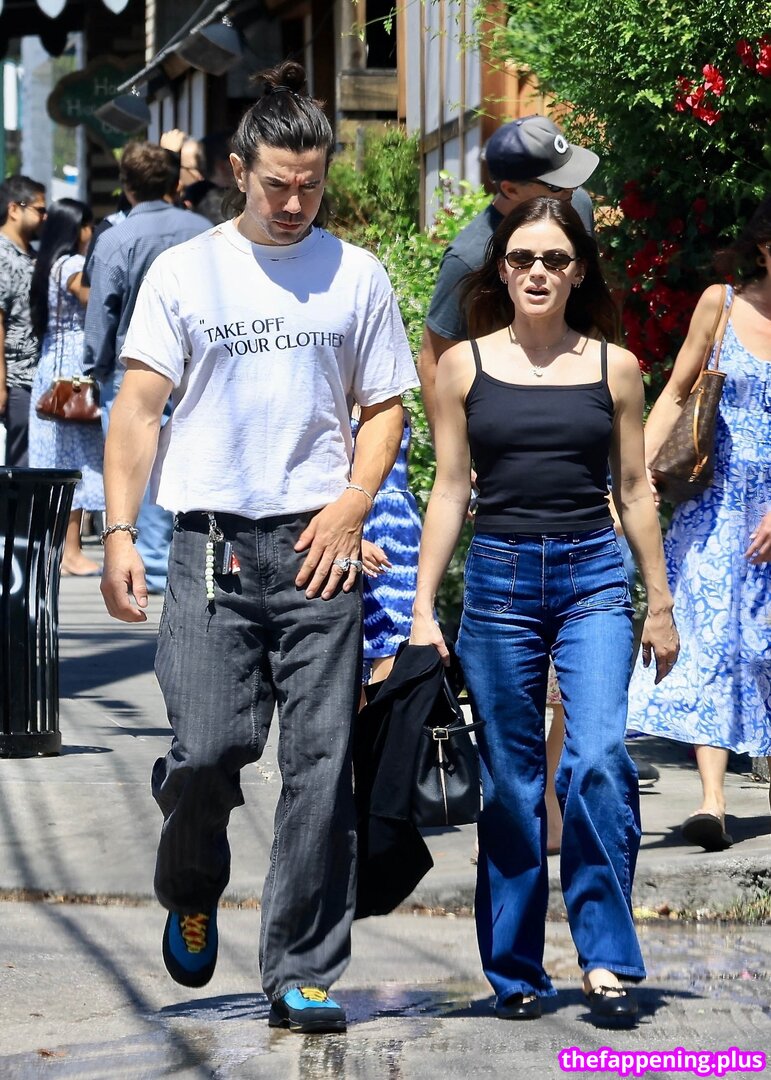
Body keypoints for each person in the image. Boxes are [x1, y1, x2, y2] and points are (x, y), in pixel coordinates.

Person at [99, 60, 417, 1035]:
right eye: (277, 183)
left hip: (321, 545)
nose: (292, 202)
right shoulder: (184, 273)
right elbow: (138, 409)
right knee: (207, 752)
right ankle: (193, 884)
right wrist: (119, 531)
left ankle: (302, 970)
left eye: (309, 186)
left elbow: (385, 407)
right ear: (240, 170)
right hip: (210, 546)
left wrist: (354, 504)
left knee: (321, 765)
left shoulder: (355, 275)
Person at [409, 196, 679, 1026]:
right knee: (511, 785)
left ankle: (604, 957)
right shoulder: (462, 367)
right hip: (497, 583)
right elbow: (448, 489)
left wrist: (659, 601)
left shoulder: (614, 367)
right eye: (522, 258)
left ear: (578, 271)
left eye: (554, 259)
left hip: (592, 576)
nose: (537, 272)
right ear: (500, 269)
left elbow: (632, 489)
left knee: (597, 757)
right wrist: (422, 608)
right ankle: (515, 969)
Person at [627, 195, 771, 851]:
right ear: (763, 246)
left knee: (762, 647)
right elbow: (679, 390)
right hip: (715, 503)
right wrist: (634, 475)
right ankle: (712, 802)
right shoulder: (721, 304)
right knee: (708, 638)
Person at [83, 140, 211, 594]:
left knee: (140, 465)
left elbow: (102, 311)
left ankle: (154, 564)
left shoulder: (117, 238)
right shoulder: (205, 230)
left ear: (127, 186)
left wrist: (94, 367)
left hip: (133, 369)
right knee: (197, 459)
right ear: (175, 183)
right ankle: (195, 558)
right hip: (200, 367)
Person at [417, 115, 598, 434]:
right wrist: (454, 449)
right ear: (510, 189)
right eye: (556, 184)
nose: (571, 189)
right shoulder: (470, 258)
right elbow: (434, 361)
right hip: (504, 422)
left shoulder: (575, 205)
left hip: (581, 405)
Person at [28, 198, 104, 575]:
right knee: (77, 460)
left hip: (52, 366)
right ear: (77, 228)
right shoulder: (72, 264)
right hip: (74, 371)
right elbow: (92, 299)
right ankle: (70, 552)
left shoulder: (47, 264)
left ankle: (58, 550)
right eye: (89, 226)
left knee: (58, 459)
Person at [356, 411, 422, 687]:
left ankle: (386, 715)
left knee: (397, 636)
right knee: (358, 640)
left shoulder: (400, 405)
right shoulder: (335, 399)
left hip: (401, 533)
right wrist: (354, 539)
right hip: (355, 520)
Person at [0, 174, 47, 466]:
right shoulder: (3, 256)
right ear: (14, 209)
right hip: (15, 380)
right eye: (39, 209)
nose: (45, 216)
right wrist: (1, 384)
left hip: (35, 378)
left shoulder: (31, 255)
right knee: (17, 469)